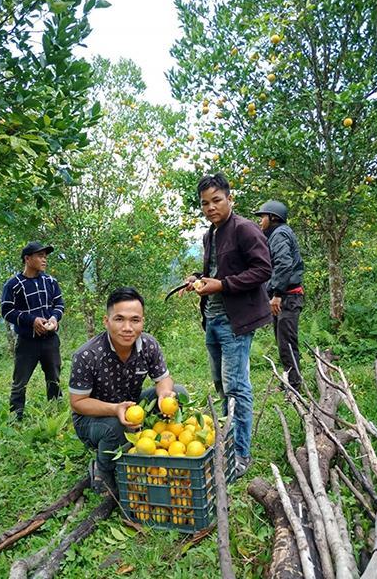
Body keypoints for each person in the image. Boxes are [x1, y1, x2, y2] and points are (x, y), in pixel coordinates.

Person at [180, 173, 272, 478]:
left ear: (230, 199)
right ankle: (227, 441)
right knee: (221, 384)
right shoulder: (211, 234)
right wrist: (196, 278)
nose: (210, 207)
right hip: (213, 320)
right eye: (205, 203)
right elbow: (216, 270)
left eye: (217, 200)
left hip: (236, 320)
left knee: (236, 387)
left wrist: (221, 285)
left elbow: (262, 269)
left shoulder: (245, 229)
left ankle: (241, 454)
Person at [69, 287, 186, 495]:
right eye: (119, 319)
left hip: (131, 405)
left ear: (142, 321)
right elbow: (78, 402)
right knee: (114, 426)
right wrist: (115, 409)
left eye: (135, 320)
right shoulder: (87, 355)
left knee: (178, 392)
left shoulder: (148, 345)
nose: (127, 328)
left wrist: (164, 394)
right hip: (92, 419)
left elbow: (163, 379)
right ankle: (102, 469)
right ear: (106, 321)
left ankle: (157, 445)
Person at [1, 241, 64, 421]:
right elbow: (7, 311)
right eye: (40, 256)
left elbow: (59, 304)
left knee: (54, 377)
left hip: (50, 340)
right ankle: (16, 417)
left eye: (45, 256)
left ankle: (56, 414)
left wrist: (54, 319)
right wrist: (32, 320)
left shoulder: (51, 282)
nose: (44, 260)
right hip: (27, 341)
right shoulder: (13, 285)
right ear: (27, 259)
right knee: (20, 381)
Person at [254, 200, 304, 391]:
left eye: (262, 217)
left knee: (287, 343)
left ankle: (294, 386)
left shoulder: (279, 234)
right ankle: (291, 381)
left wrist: (277, 294)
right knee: (284, 341)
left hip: (287, 297)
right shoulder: (278, 234)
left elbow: (284, 264)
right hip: (286, 296)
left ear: (273, 217)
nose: (260, 221)